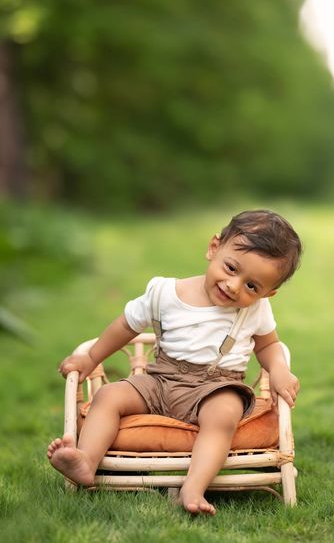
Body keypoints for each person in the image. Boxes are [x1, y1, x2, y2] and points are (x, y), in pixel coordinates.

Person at [47, 209, 302, 516]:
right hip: (161, 379)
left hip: (216, 385)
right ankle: (85, 462)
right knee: (108, 395)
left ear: (268, 293)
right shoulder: (165, 293)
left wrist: (279, 370)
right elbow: (126, 326)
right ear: (213, 248)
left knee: (224, 414)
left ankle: (193, 487)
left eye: (252, 286)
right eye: (231, 268)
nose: (234, 286)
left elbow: (269, 345)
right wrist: (90, 358)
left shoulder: (256, 310)